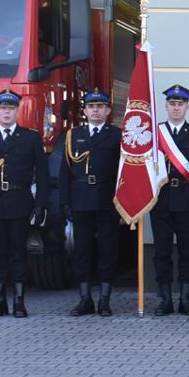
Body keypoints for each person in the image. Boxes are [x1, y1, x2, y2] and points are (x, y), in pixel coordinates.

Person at [0, 89, 48, 318]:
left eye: (11, 109)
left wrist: (40, 205)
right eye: (3, 109)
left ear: (17, 111)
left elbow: (42, 175)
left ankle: (20, 301)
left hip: (20, 201)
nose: (6, 113)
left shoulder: (30, 138)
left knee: (18, 253)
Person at [55, 89, 120, 317]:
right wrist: (65, 201)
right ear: (84, 111)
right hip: (80, 198)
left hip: (106, 199)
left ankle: (104, 300)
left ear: (108, 111)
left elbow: (124, 172)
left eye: (100, 106)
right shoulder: (74, 135)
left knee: (107, 250)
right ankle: (85, 299)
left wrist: (121, 201)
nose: (95, 110)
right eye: (91, 106)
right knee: (81, 251)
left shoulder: (117, 136)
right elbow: (66, 171)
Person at [151, 84, 189, 316]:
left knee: (187, 252)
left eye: (180, 104)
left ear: (187, 107)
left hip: (186, 201)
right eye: (172, 104)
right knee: (161, 252)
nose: (176, 108)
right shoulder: (155, 133)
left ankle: (185, 299)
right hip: (161, 201)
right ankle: (165, 299)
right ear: (166, 106)